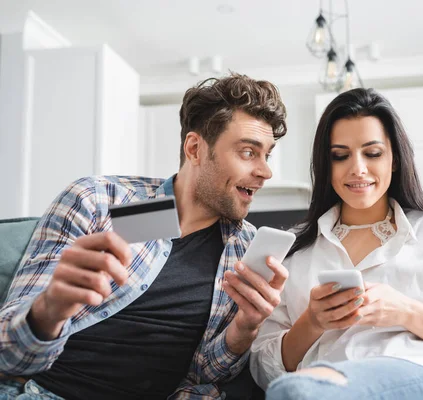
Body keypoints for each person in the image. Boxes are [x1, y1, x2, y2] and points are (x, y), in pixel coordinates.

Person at [0, 73, 289, 400]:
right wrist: (48, 310)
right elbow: (8, 355)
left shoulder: (242, 247)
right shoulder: (101, 202)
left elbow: (203, 374)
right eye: (249, 152)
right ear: (195, 148)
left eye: (267, 154)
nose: (265, 172)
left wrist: (244, 330)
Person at [249, 88, 423, 400]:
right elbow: (265, 370)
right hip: (328, 388)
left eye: (372, 153)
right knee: (293, 393)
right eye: (340, 156)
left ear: (394, 160)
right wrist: (312, 323)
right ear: (325, 165)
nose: (357, 168)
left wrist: (409, 313)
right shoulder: (295, 254)